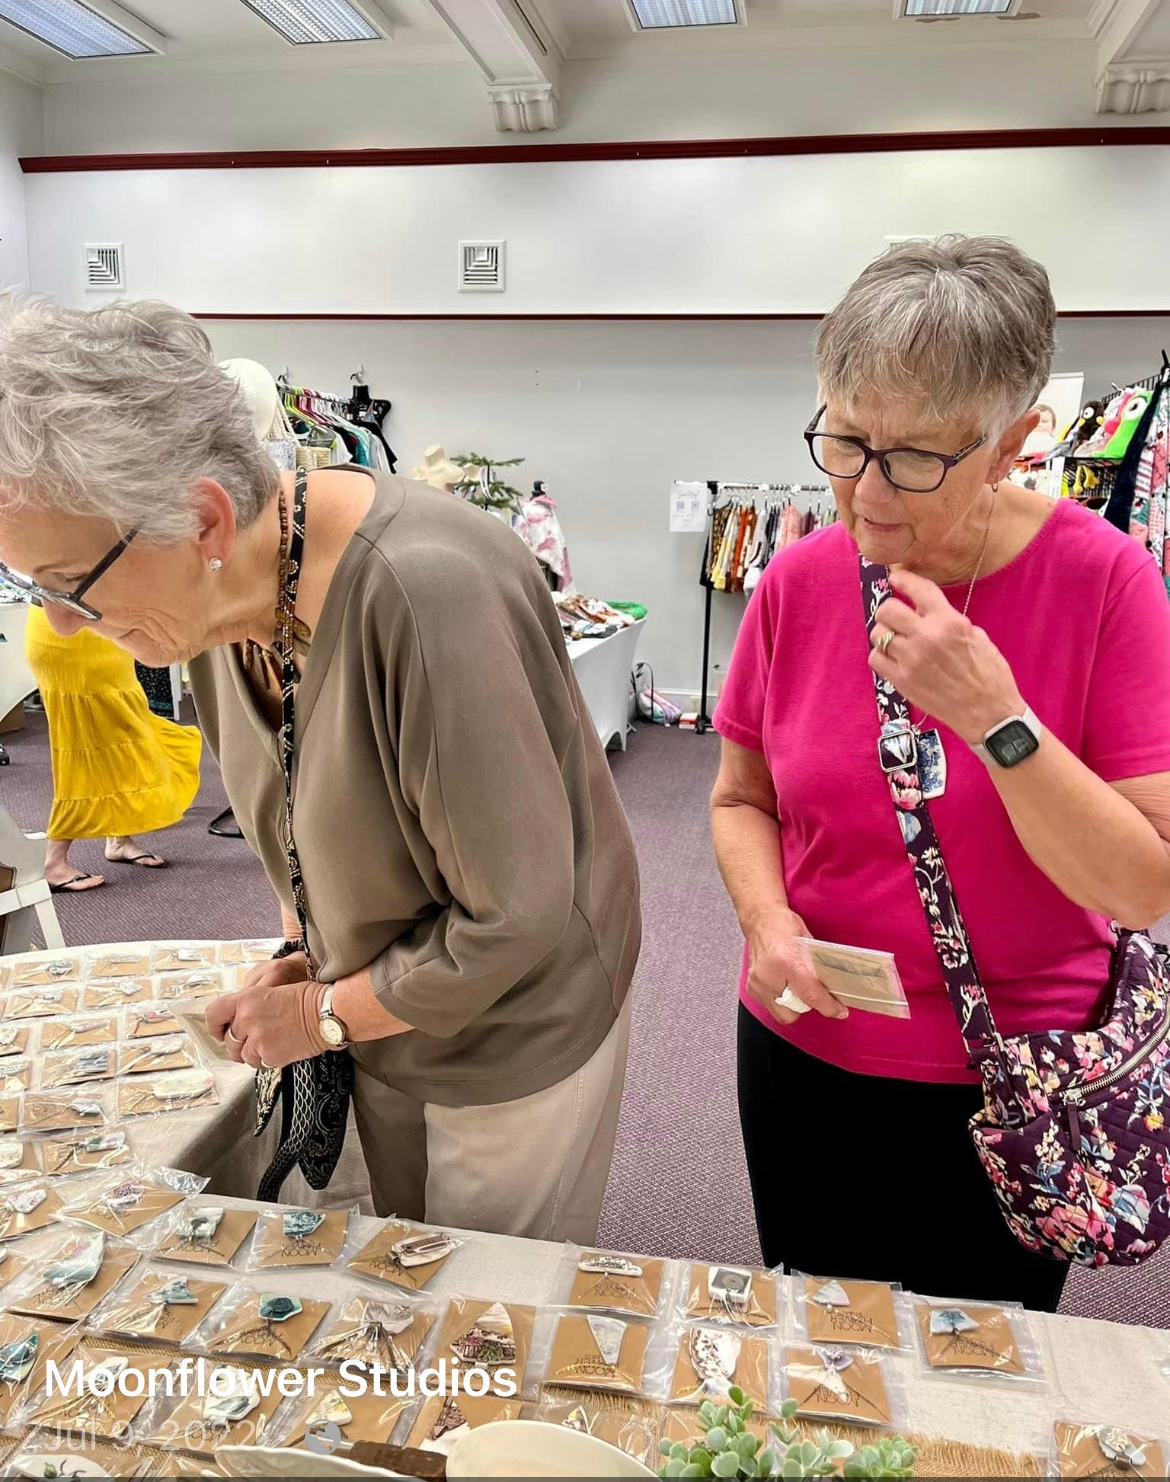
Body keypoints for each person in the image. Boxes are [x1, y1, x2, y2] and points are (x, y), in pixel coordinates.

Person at [0, 294, 640, 1242]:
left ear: (203, 520)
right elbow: (316, 825)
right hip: (394, 1004)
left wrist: (326, 1015)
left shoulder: (426, 595)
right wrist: (307, 964)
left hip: (514, 1027)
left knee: (477, 1308)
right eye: (32, 588)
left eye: (69, 587)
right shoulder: (214, 609)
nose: (57, 623)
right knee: (380, 1271)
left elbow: (513, 918)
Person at [711, 235, 1170, 1312]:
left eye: (916, 456)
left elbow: (1144, 887)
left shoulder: (1109, 586)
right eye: (846, 438)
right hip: (802, 1054)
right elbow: (740, 800)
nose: (867, 491)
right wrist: (765, 920)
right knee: (815, 1349)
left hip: (1013, 1084)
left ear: (1018, 441)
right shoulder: (797, 580)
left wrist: (995, 716)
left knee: (981, 1378)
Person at [23, 604, 201, 891]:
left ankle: (119, 839)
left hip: (102, 631)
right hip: (72, 632)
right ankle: (53, 862)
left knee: (123, 735)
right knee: (82, 747)